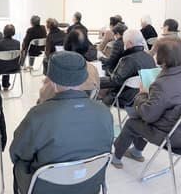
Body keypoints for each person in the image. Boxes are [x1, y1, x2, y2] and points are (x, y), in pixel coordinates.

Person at [10, 51, 113, 194]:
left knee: (19, 165)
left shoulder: (39, 115)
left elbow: (17, 153)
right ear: (84, 78)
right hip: (89, 184)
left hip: (47, 187)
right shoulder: (104, 112)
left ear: (51, 80)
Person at [112, 37, 181, 169]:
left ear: (162, 57)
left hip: (172, 137)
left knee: (133, 122)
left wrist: (143, 93)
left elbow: (148, 116)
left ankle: (116, 158)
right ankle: (136, 152)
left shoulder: (162, 84)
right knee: (141, 116)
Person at [39, 28, 100, 103]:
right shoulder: (93, 69)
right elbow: (96, 91)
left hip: (59, 110)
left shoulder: (57, 69)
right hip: (85, 110)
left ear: (67, 44)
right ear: (86, 46)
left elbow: (44, 96)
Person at [100, 29, 156, 107]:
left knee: (99, 91)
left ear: (129, 43)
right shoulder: (149, 58)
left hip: (125, 98)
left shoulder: (128, 59)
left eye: (124, 42)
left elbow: (116, 81)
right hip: (145, 96)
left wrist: (97, 80)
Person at [0, 24, 20, 90]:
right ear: (13, 33)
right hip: (14, 67)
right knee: (8, 61)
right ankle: (6, 85)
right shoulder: (17, 43)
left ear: (4, 32)